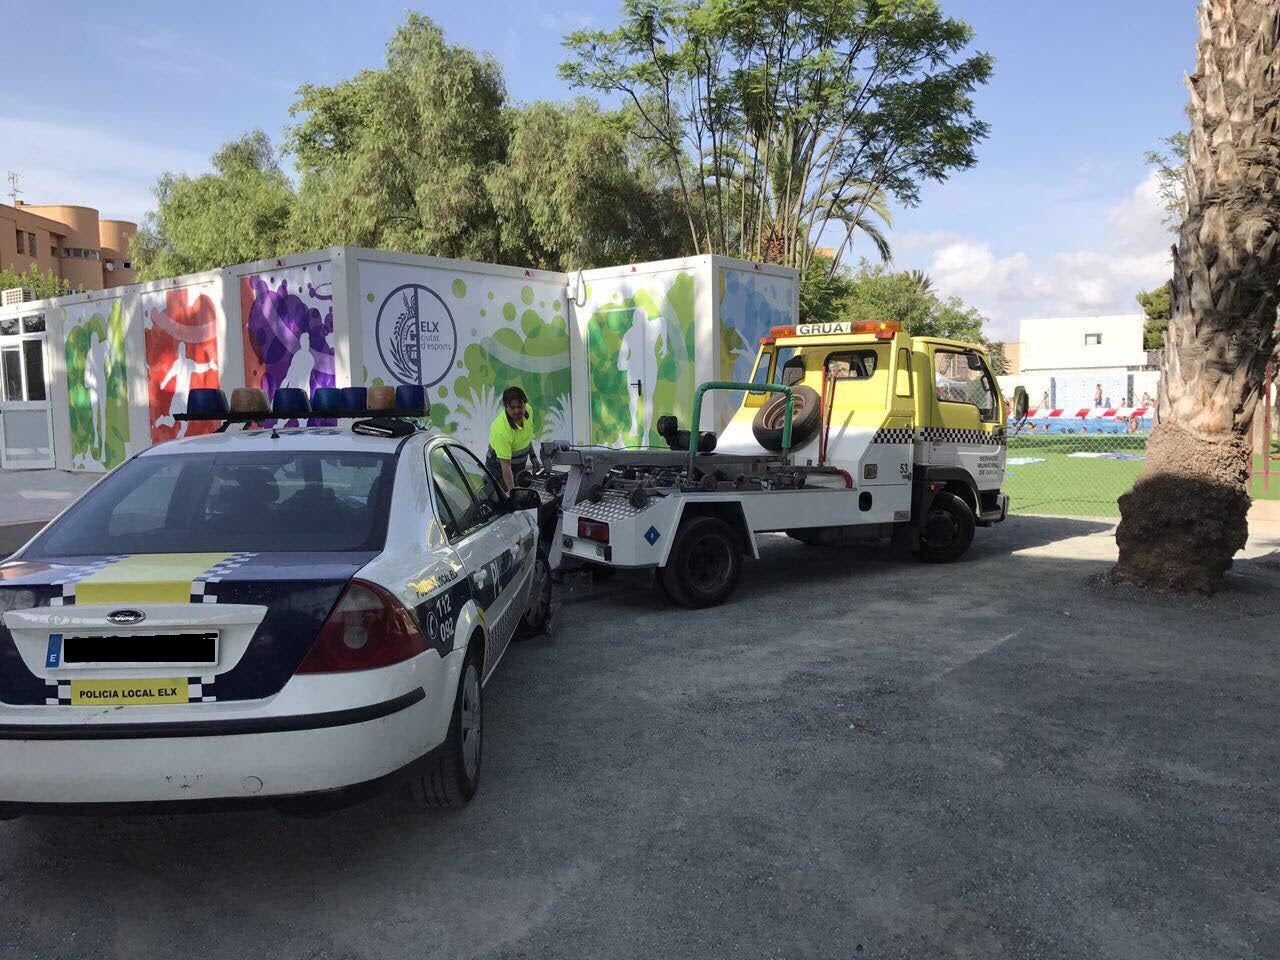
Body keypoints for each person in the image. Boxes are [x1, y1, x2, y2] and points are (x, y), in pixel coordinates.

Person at [487, 386, 541, 491]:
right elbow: (506, 466)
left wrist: (533, 456)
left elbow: (526, 436)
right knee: (497, 497)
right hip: (498, 468)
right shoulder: (501, 430)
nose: (517, 411)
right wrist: (513, 494)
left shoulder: (528, 411)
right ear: (506, 407)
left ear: (524, 404)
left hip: (518, 465)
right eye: (512, 407)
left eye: (520, 406)